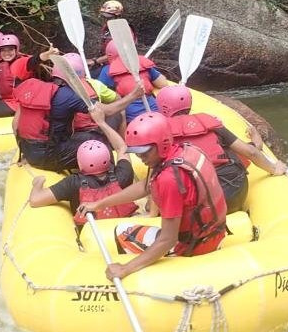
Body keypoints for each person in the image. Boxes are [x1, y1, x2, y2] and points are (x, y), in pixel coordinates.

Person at [78, 111, 228, 280]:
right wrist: (100, 204)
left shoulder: (169, 179)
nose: (140, 157)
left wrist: (126, 269)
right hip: (212, 233)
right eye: (136, 152)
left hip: (194, 245)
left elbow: (168, 240)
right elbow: (145, 186)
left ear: (161, 144)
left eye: (144, 152)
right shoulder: (182, 151)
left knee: (123, 233)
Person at [155, 84, 286, 211]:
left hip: (200, 208)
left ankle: (256, 140)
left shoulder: (161, 133)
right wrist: (275, 169)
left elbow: (156, 175)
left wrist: (152, 212)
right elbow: (251, 152)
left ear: (163, 107)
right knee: (231, 150)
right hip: (236, 195)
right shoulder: (209, 123)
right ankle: (256, 138)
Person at [12, 63, 142, 171]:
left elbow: (15, 124)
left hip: (28, 151)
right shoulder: (69, 96)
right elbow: (108, 111)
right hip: (48, 156)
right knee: (100, 146)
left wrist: (25, 152)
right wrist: (133, 96)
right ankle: (110, 183)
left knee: (90, 137)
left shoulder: (37, 90)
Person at [28, 105, 137, 226]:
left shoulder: (73, 183)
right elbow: (121, 147)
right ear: (108, 156)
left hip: (91, 236)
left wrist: (38, 183)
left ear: (79, 162)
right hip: (123, 227)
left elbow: (35, 200)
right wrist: (101, 123)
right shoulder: (124, 174)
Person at [96, 39, 173, 123]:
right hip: (154, 109)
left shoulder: (107, 70)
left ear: (110, 56)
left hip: (129, 114)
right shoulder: (142, 63)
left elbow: (101, 96)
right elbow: (163, 83)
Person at [86, 0, 136, 71]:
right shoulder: (106, 27)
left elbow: (120, 52)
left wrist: (96, 61)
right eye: (104, 16)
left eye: (109, 17)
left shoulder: (124, 29)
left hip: (121, 64)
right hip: (106, 62)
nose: (106, 20)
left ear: (117, 16)